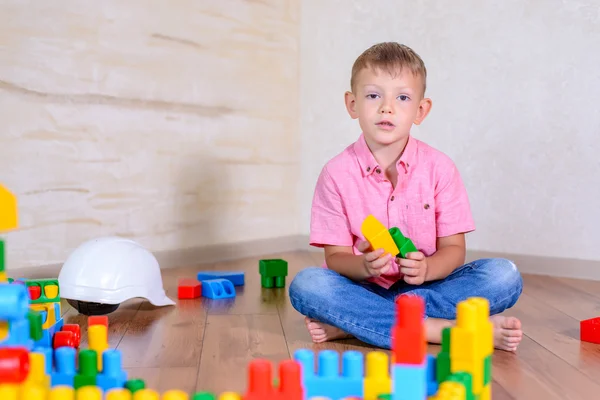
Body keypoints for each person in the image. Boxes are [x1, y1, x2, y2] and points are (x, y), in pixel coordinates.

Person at [288, 42, 523, 352]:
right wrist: (365, 267)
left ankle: (354, 324)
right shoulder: (335, 174)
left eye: (402, 97)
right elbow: (336, 258)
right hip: (365, 290)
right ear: (352, 104)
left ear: (420, 110)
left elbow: (454, 250)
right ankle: (442, 330)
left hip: (428, 289)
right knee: (308, 285)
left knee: (503, 275)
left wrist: (427, 269)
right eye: (373, 95)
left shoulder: (440, 168)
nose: (387, 108)